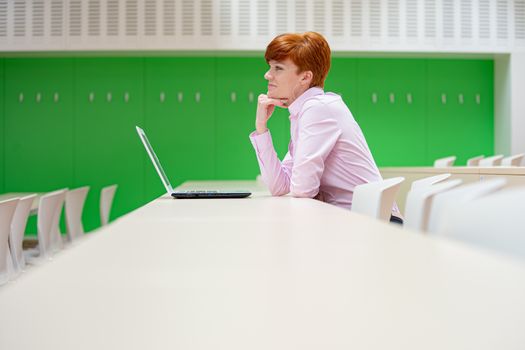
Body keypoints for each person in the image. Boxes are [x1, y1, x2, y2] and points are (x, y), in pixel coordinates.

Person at [249, 31, 403, 224]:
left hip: (374, 223)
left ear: (305, 78)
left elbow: (302, 189)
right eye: (269, 67)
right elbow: (280, 186)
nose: (267, 75)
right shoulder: (304, 111)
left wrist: (308, 191)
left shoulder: (318, 109)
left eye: (278, 68)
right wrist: (261, 128)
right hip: (353, 219)